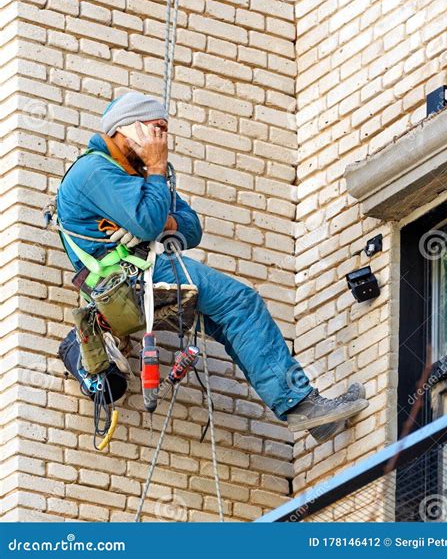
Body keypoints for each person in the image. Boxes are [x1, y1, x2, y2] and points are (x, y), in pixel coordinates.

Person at [57, 91, 368, 443]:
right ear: (128, 127)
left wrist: (164, 219)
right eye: (156, 128)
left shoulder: (143, 177)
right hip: (124, 278)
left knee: (231, 319)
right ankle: (301, 404)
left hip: (145, 273)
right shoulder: (94, 171)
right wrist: (156, 176)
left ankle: (308, 412)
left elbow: (191, 228)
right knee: (240, 302)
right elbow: (146, 223)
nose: (162, 140)